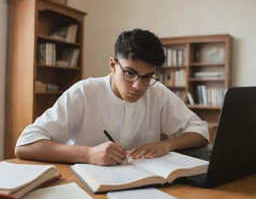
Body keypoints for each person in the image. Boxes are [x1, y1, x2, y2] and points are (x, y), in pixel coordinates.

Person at [15, 29, 209, 166]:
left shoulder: (157, 91)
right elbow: (25, 145)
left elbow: (200, 132)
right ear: (113, 64)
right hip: (86, 187)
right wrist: (89, 154)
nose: (138, 86)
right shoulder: (84, 91)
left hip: (143, 187)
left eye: (147, 76)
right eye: (130, 73)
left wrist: (167, 144)